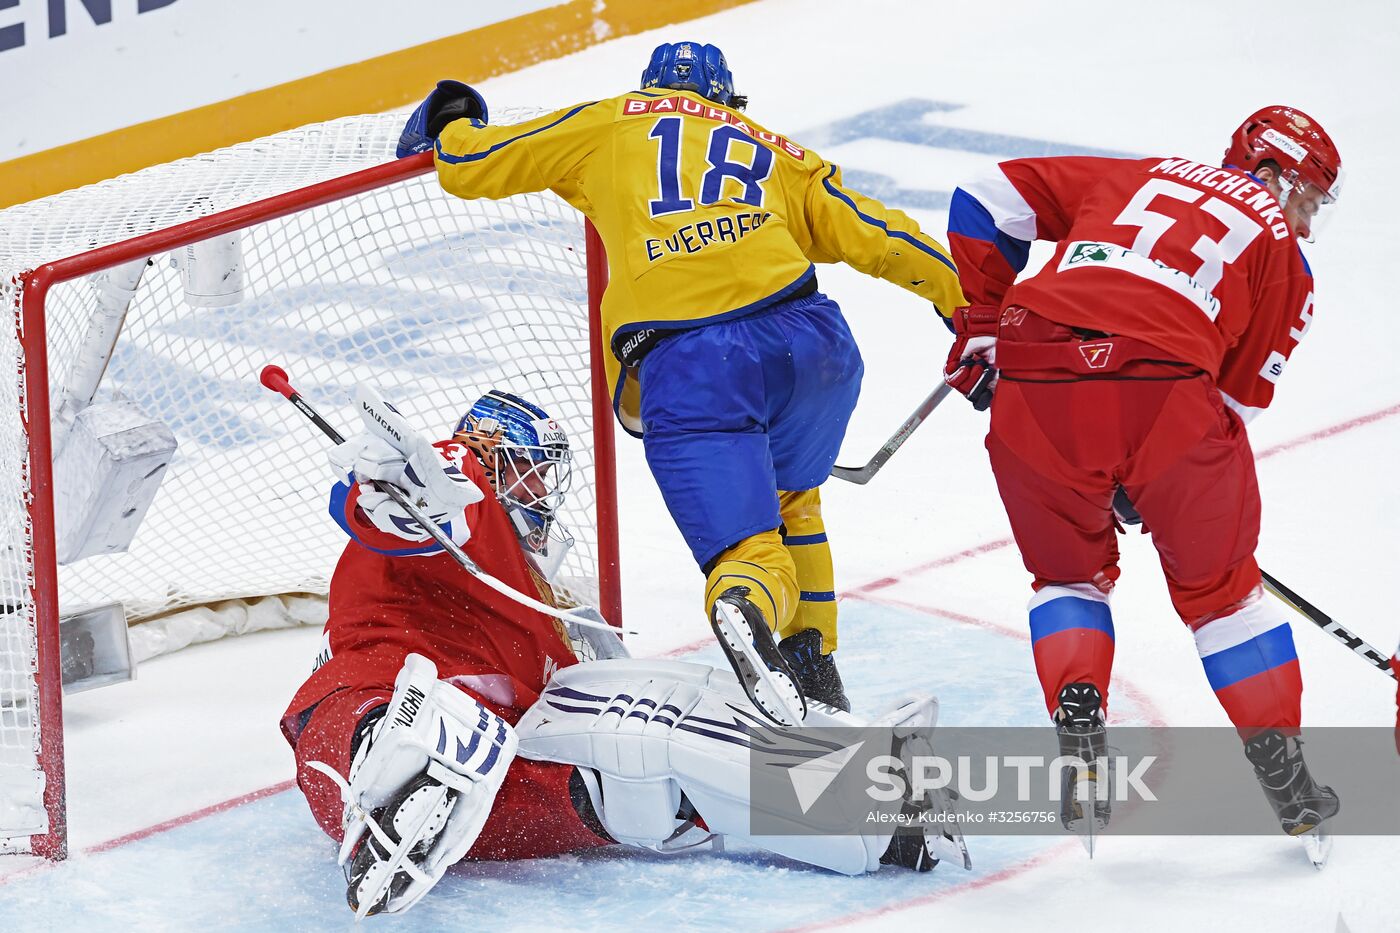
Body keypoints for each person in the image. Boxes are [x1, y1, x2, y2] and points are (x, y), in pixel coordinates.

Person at [394, 40, 966, 724]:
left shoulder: (607, 122)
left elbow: (469, 164)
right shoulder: (775, 149)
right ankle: (816, 676)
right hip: (815, 348)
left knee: (748, 555)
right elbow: (881, 233)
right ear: (725, 102)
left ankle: (745, 607)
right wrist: (969, 302)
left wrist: (453, 116)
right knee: (795, 502)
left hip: (698, 365)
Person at [281, 386, 962, 918]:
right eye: (528, 475)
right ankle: (391, 762)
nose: (538, 495)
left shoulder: (546, 605)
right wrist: (393, 497)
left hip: (487, 793)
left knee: (647, 756)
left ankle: (863, 793)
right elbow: (424, 499)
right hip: (359, 726)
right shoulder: (462, 504)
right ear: (489, 457)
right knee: (627, 735)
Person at [941, 106, 1344, 846]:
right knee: (1223, 597)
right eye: (1309, 199)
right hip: (1167, 398)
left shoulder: (1133, 174)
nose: (1308, 223)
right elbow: (1231, 404)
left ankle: (1080, 719)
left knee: (1068, 579)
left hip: (1035, 376)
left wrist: (984, 324)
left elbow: (981, 197)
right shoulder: (1287, 255)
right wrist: (1148, 472)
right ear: (1271, 172)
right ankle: (1288, 780)